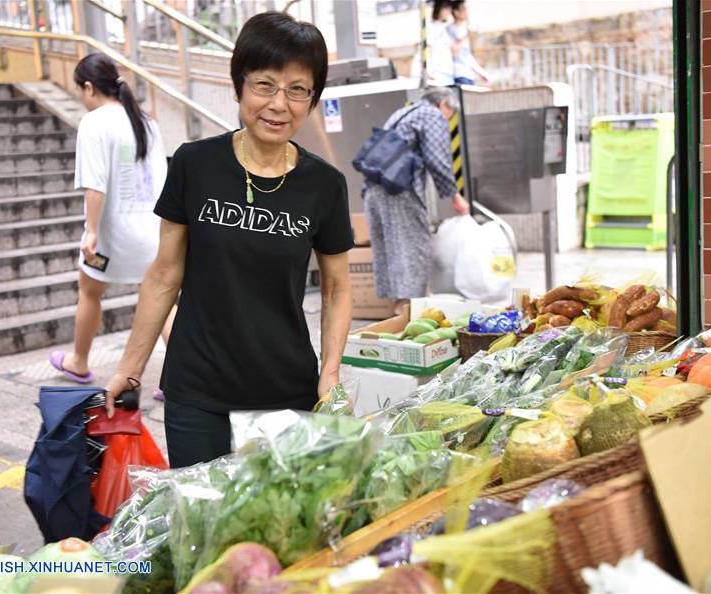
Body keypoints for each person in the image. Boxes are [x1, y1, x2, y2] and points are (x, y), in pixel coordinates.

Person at [104, 12, 354, 468]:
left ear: (312, 99)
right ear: (238, 85)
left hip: (287, 392)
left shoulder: (325, 184)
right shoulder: (194, 163)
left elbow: (337, 287)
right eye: (264, 84)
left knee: (280, 530)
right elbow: (164, 274)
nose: (280, 104)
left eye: (298, 89)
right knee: (203, 532)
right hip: (198, 393)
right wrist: (129, 369)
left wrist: (330, 373)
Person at [49, 53, 175, 387]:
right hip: (153, 231)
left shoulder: (94, 122)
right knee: (161, 299)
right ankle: (181, 377)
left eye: (80, 90)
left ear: (89, 87)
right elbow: (162, 178)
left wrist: (90, 231)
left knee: (89, 291)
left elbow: (95, 183)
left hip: (113, 236)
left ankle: (78, 361)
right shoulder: (146, 121)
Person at [363, 87, 470, 315]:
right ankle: (411, 310)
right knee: (413, 247)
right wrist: (455, 194)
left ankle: (400, 307)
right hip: (400, 190)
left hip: (374, 189)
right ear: (443, 105)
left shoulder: (402, 113)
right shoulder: (432, 115)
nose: (447, 120)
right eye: (449, 115)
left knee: (391, 249)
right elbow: (437, 159)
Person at [448, 0, 491, 86]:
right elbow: (454, 52)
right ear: (456, 12)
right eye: (464, 9)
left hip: (469, 75)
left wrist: (481, 72)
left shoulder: (465, 29)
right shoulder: (449, 30)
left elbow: (467, 56)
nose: (467, 12)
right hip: (457, 75)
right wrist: (465, 36)